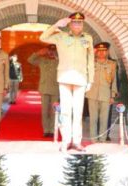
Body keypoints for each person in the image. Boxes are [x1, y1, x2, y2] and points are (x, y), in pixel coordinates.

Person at [39, 12, 94, 152]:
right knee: (65, 112)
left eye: (80, 22)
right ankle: (65, 141)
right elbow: (43, 37)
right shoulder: (61, 36)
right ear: (69, 24)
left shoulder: (88, 38)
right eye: (74, 22)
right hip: (64, 77)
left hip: (81, 78)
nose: (77, 25)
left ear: (83, 24)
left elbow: (90, 60)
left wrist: (91, 80)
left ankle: (76, 142)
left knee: (78, 112)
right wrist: (57, 24)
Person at [86, 42, 118, 142]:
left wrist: (112, 95)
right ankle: (94, 140)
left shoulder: (112, 64)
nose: (101, 53)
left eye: (104, 51)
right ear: (96, 52)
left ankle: (103, 139)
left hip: (106, 95)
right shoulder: (90, 63)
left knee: (104, 119)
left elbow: (114, 81)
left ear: (107, 52)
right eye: (99, 51)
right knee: (93, 119)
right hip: (92, 94)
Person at [28, 45, 59, 137]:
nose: (51, 53)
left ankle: (53, 130)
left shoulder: (59, 61)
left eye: (53, 51)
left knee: (54, 111)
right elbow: (30, 60)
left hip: (55, 89)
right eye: (49, 51)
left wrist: (59, 56)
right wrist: (38, 53)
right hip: (44, 88)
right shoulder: (42, 60)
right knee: (44, 111)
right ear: (46, 51)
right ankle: (46, 129)